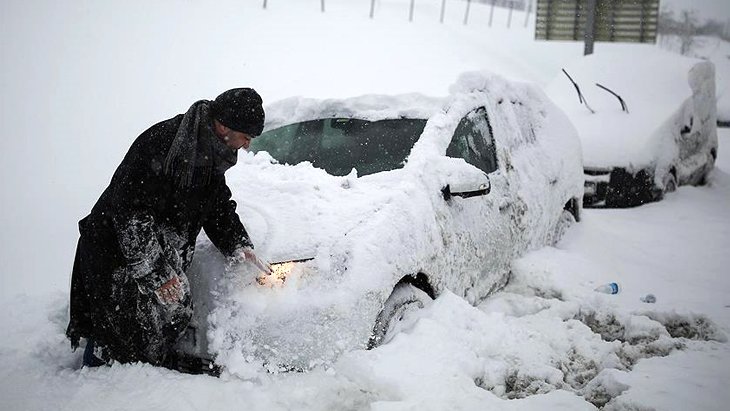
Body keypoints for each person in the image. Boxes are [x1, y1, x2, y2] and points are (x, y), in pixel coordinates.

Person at [66, 88, 272, 368]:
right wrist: (159, 275)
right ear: (223, 126)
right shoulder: (164, 144)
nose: (247, 145)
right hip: (117, 254)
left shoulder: (210, 151)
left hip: (153, 250)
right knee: (120, 337)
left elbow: (215, 204)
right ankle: (97, 384)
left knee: (164, 320)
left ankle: (146, 371)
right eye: (246, 136)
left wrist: (238, 242)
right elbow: (130, 216)